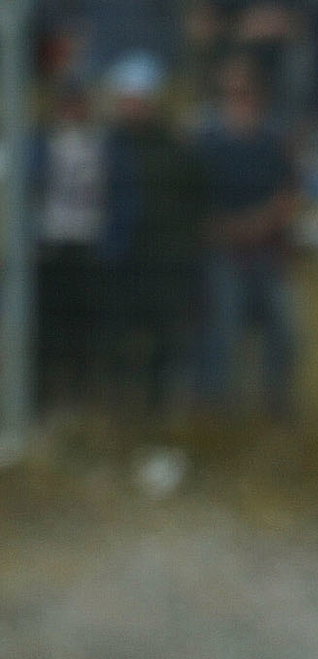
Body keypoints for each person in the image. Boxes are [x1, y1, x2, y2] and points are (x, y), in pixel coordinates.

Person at [99, 52, 207, 410]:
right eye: (128, 101)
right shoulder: (107, 148)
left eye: (140, 101)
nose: (134, 108)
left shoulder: (175, 149)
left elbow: (194, 202)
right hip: (120, 264)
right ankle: (119, 411)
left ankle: (156, 411)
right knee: (118, 343)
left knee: (164, 345)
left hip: (165, 265)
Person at [195, 57, 299, 416]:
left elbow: (290, 194)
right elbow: (195, 205)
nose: (237, 98)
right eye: (230, 92)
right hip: (223, 254)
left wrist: (261, 224)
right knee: (222, 330)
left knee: (284, 332)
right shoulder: (206, 143)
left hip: (269, 254)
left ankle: (276, 407)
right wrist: (231, 230)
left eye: (243, 91)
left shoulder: (273, 140)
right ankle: (220, 409)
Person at [33, 79, 107, 406]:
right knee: (48, 329)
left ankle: (82, 396)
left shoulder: (101, 144)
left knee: (84, 329)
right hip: (51, 245)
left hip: (87, 244)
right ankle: (44, 396)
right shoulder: (40, 144)